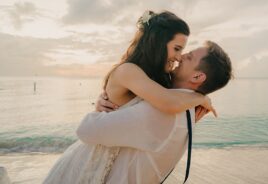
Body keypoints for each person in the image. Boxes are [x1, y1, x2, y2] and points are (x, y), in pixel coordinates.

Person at [43, 11, 214, 184]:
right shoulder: (128, 71)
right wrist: (201, 99)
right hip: (92, 160)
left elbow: (164, 112)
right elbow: (168, 103)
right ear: (158, 43)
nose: (179, 57)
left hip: (114, 160)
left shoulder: (157, 75)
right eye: (177, 48)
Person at [77, 41, 233, 183]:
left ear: (197, 76)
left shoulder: (163, 112)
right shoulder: (182, 107)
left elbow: (85, 130)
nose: (180, 57)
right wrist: (111, 100)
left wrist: (100, 113)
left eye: (189, 57)